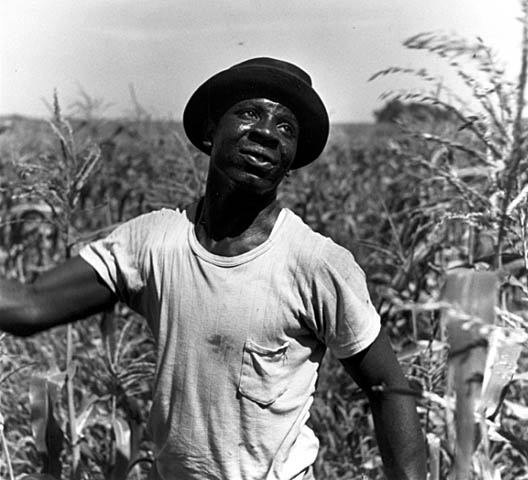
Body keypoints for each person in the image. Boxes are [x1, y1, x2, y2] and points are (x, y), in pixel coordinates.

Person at [0, 57, 426, 479]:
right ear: (209, 132)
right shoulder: (153, 242)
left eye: (285, 127)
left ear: (292, 158)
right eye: (249, 113)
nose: (266, 133)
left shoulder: (317, 264)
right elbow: (30, 305)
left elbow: (387, 387)